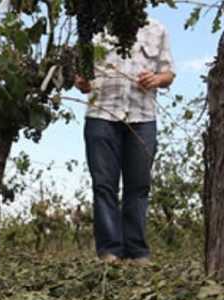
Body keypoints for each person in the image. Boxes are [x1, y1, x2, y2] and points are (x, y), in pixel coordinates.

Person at [74, 17, 175, 265]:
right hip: (101, 115)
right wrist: (82, 82)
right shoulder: (93, 26)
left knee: (139, 186)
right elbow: (80, 79)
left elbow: (168, 73)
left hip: (143, 117)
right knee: (104, 185)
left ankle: (137, 251)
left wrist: (156, 79)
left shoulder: (157, 28)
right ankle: (109, 252)